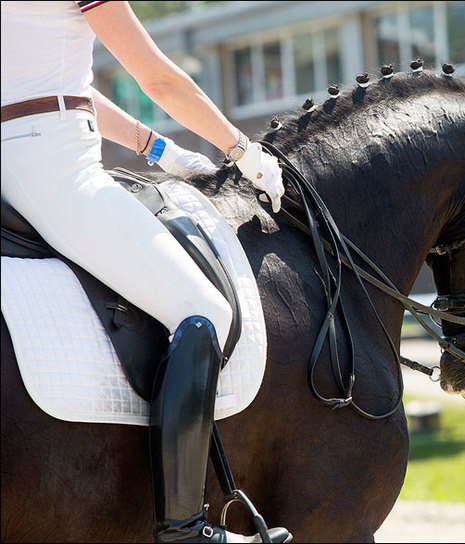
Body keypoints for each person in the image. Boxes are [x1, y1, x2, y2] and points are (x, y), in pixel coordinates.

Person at [0, 2, 290, 542]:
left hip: (19, 157)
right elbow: (157, 76)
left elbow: (52, 83)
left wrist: (157, 147)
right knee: (203, 311)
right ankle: (183, 528)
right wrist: (241, 149)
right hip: (52, 165)